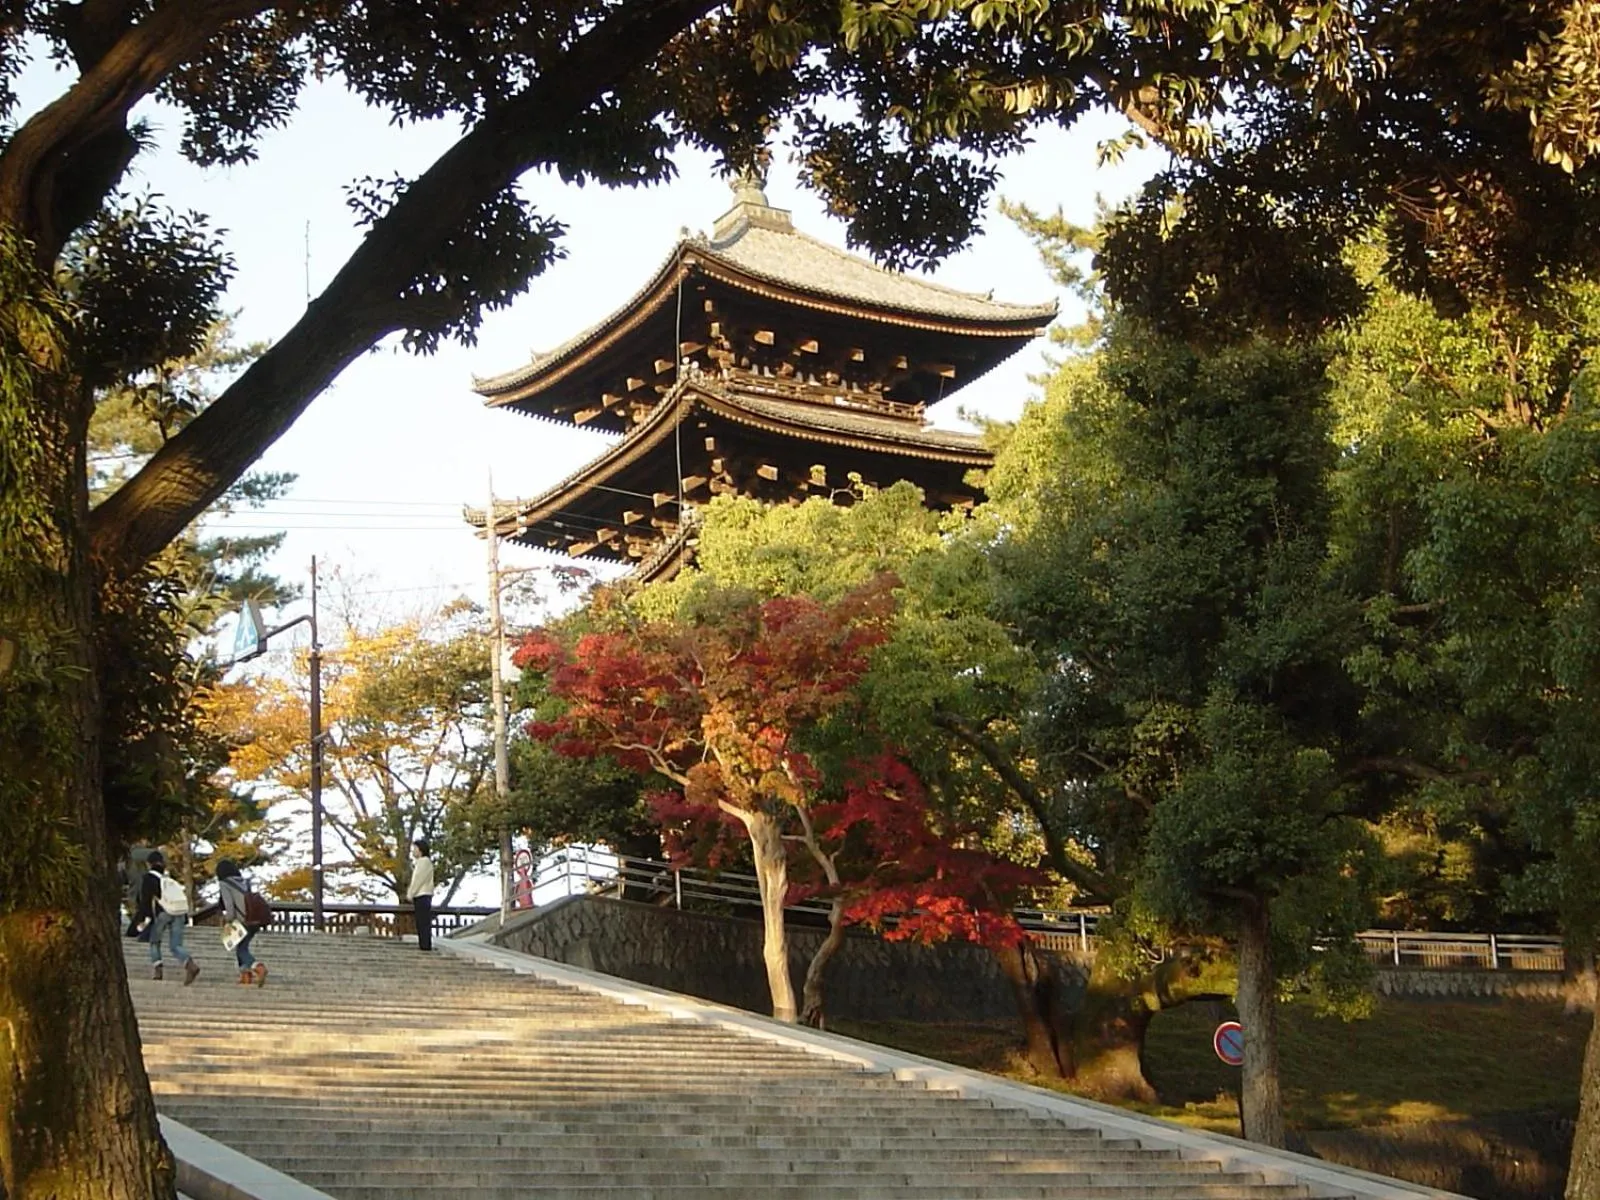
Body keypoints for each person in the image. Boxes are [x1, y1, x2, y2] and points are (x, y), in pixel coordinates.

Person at [136, 851, 199, 985]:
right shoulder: (168, 878)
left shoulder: (148, 878)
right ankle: (189, 964)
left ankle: (158, 969)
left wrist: (144, 917)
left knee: (155, 941)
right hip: (178, 911)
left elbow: (146, 899)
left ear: (149, 864)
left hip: (162, 912)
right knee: (175, 945)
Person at [216, 859, 268, 987]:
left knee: (241, 950)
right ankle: (245, 976)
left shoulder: (224, 883)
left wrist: (228, 921)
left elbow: (229, 907)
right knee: (241, 947)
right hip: (255, 919)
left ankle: (258, 967)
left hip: (242, 920)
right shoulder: (245, 882)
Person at [406, 838, 435, 952]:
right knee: (422, 920)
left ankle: (425, 945)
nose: (413, 851)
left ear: (421, 850)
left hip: (422, 894)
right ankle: (424, 944)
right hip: (423, 894)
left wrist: (411, 893)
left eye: (415, 848)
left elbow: (418, 880)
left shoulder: (424, 862)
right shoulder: (423, 862)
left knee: (422, 921)